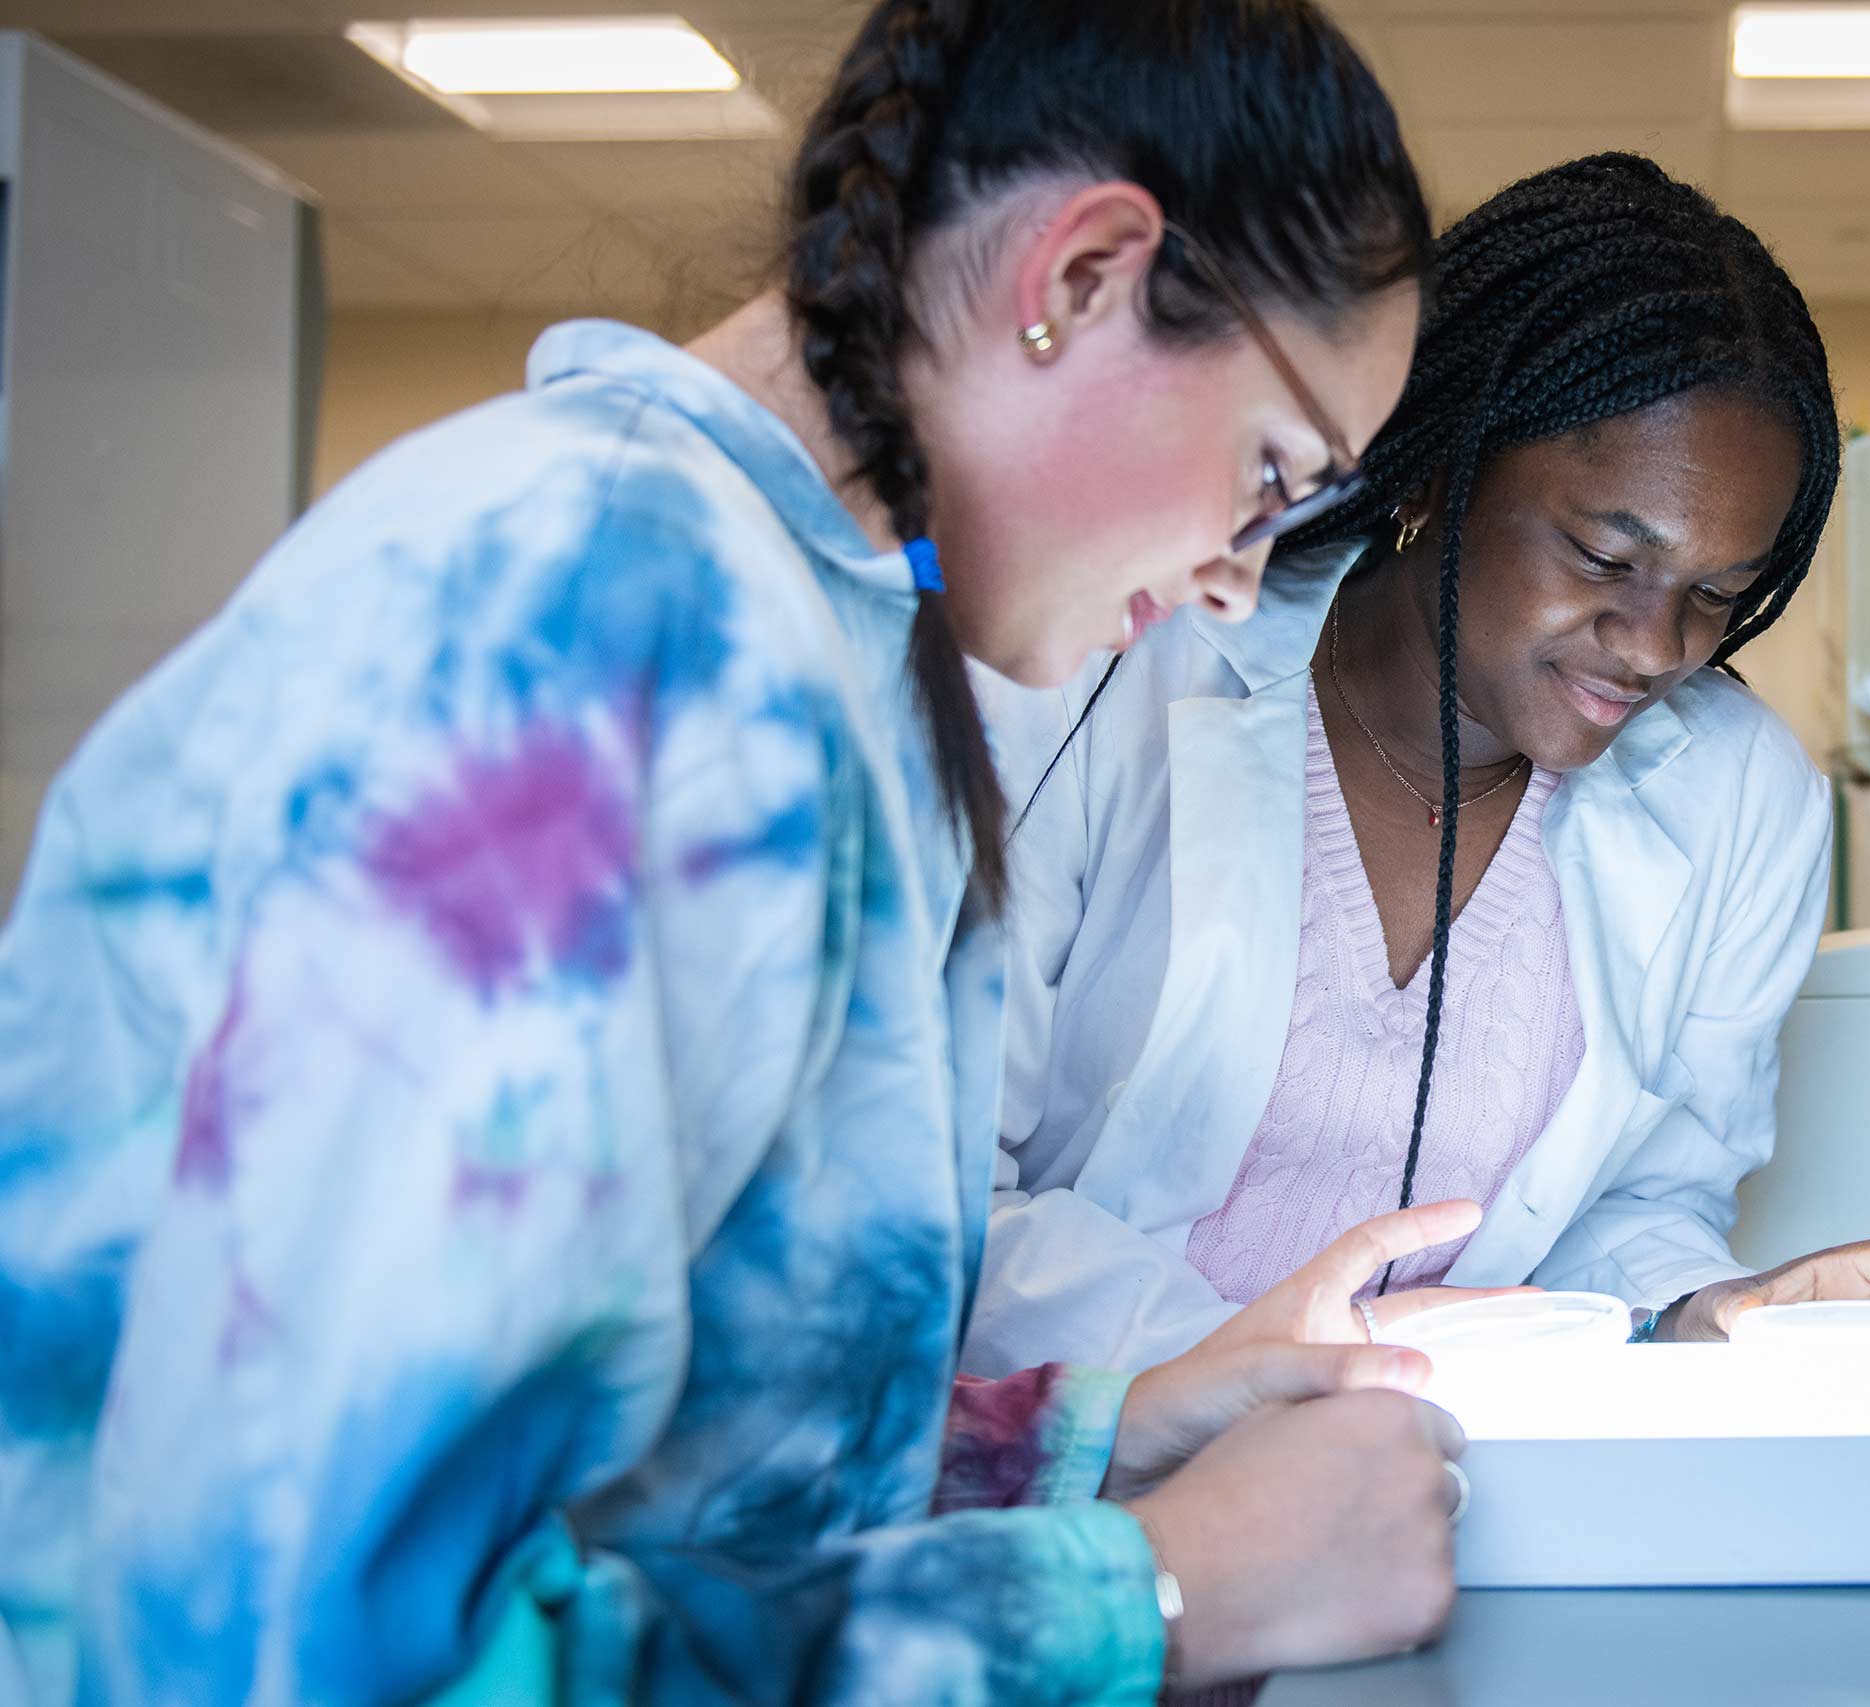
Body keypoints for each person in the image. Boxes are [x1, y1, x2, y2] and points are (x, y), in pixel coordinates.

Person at [0, 4, 1488, 1701]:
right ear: (1080, 279)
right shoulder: (579, 608)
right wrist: (1154, 1590)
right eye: (1272, 474)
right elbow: (333, 1655)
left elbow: (695, 1452)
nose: (1239, 579)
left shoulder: (840, 640)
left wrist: (1104, 1441)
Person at [970, 154, 1870, 1378]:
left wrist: (1708, 1311)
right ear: (1445, 464)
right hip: (1090, 1466)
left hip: (1462, 1476)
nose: (1656, 646)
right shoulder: (1108, 673)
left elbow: (1643, 1204)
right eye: (1605, 557)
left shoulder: (1741, 800)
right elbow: (939, 1198)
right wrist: (1285, 1356)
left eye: (1717, 594)